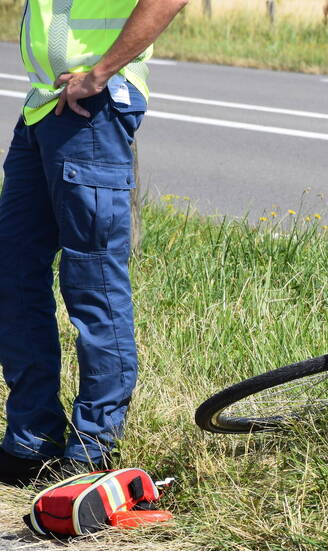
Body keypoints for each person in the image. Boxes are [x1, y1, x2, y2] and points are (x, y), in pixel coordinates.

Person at [0, 0, 189, 486]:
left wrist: (102, 71)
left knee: (92, 281)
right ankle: (31, 443)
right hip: (45, 106)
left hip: (92, 110)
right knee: (14, 271)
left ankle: (92, 447)